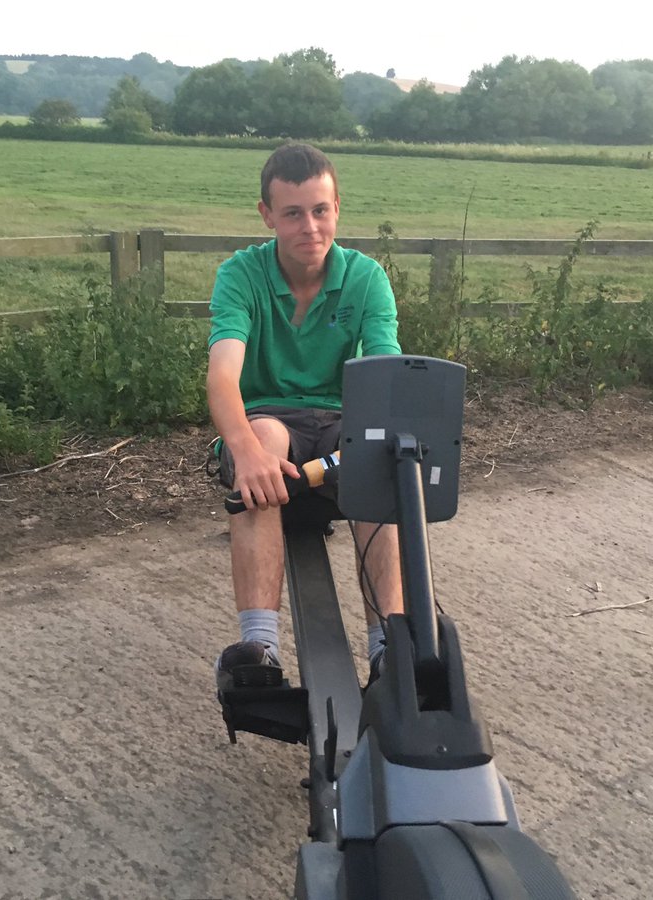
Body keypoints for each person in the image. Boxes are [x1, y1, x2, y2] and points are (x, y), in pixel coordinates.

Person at [207, 142, 403, 692]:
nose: (310, 227)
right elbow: (223, 375)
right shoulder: (240, 276)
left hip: (344, 419)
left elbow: (384, 367)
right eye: (292, 213)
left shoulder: (366, 278)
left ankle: (390, 648)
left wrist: (376, 442)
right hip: (272, 421)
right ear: (266, 214)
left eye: (320, 210)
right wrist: (243, 449)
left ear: (337, 207)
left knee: (384, 459)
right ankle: (260, 650)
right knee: (262, 436)